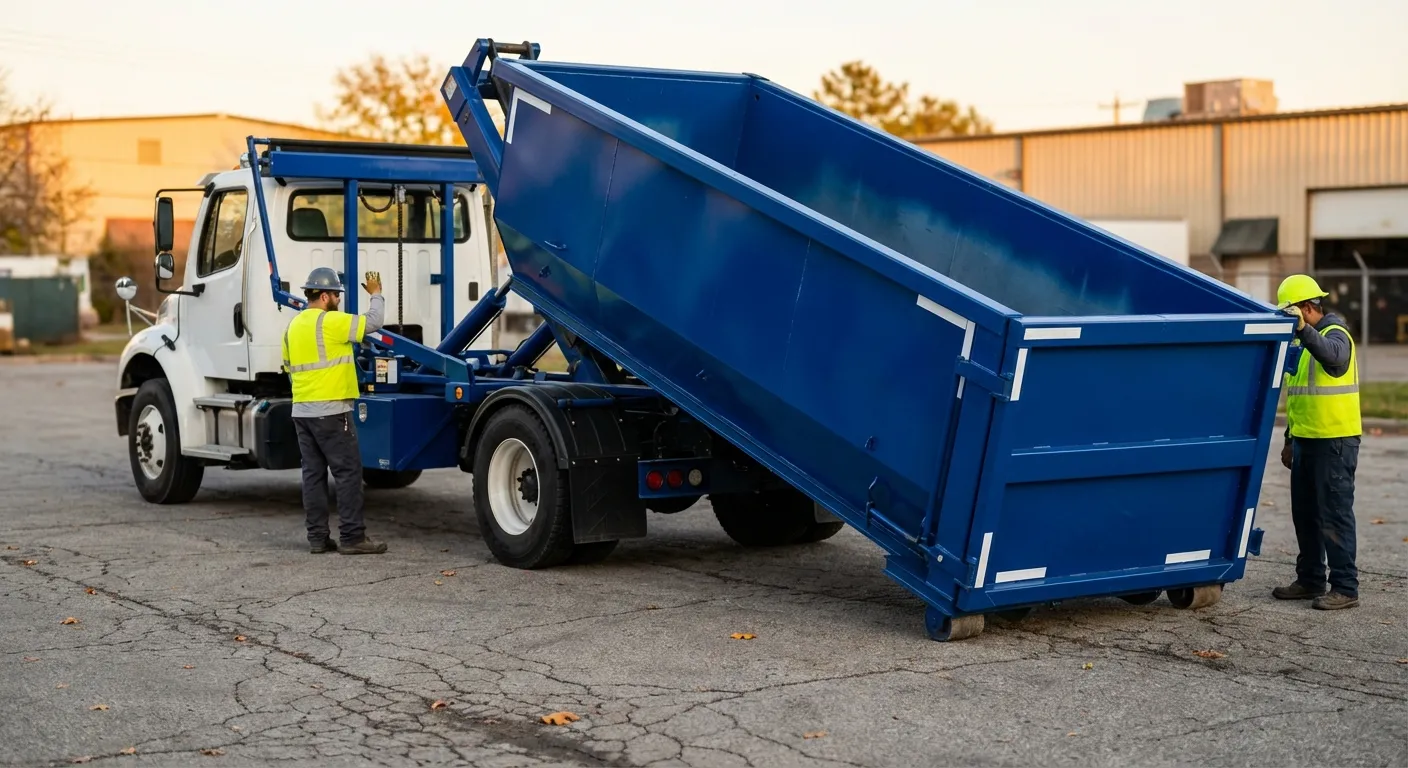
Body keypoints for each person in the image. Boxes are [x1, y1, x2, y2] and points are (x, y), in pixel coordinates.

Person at [282, 267, 388, 555]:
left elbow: (289, 368)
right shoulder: (330, 322)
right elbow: (374, 322)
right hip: (331, 411)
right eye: (337, 296)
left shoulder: (293, 327)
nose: (339, 300)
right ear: (325, 295)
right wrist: (376, 293)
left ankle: (317, 538)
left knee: (313, 476)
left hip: (302, 411)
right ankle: (353, 537)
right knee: (348, 473)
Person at [1272, 274, 1361, 610]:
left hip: (1335, 441)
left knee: (1334, 515)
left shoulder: (1335, 334)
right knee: (1306, 514)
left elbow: (1336, 360)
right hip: (1307, 440)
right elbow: (1299, 397)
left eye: (1291, 312)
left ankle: (1345, 588)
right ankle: (1310, 579)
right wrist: (1290, 439)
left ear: (1306, 308)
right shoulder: (1304, 343)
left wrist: (1303, 331)